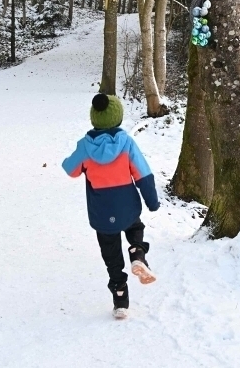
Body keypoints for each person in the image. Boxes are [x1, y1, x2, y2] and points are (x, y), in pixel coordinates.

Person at [62, 93, 160, 319]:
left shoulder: (85, 147)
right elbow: (143, 174)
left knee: (111, 256)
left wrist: (76, 159)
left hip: (102, 213)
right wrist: (152, 202)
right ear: (118, 117)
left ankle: (120, 302)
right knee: (135, 227)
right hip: (127, 207)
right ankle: (137, 253)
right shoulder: (126, 143)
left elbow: (71, 170)